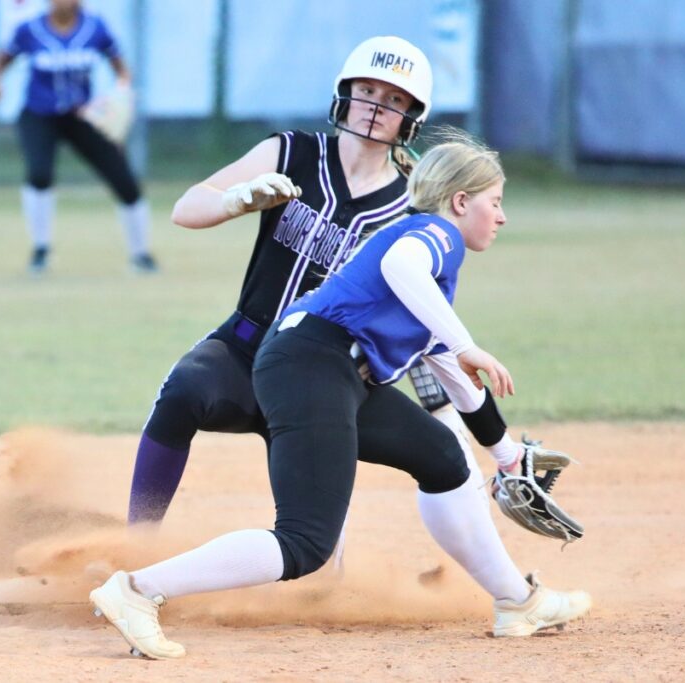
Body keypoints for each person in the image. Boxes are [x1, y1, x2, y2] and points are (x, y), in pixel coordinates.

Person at [89, 135, 592, 659]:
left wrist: (507, 456)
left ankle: (517, 601)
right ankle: (137, 590)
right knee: (305, 542)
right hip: (312, 363)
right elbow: (405, 269)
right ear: (461, 202)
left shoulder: (435, 273)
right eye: (496, 201)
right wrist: (469, 344)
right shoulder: (434, 234)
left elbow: (455, 376)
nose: (502, 217)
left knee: (445, 459)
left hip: (333, 372)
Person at [126, 35, 494, 541]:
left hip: (331, 380)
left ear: (411, 117)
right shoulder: (291, 153)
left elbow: (421, 322)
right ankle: (136, 540)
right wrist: (237, 200)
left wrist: (453, 418)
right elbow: (186, 208)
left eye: (393, 100)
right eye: (366, 89)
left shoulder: (413, 211)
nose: (375, 107)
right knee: (183, 389)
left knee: (316, 557)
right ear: (344, 93)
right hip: (245, 349)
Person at [0, 0, 158, 274]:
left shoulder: (94, 27)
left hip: (82, 115)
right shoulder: (30, 29)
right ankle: (40, 250)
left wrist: (121, 93)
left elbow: (120, 66)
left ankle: (141, 255)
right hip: (39, 114)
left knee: (124, 180)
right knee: (39, 174)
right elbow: (2, 59)